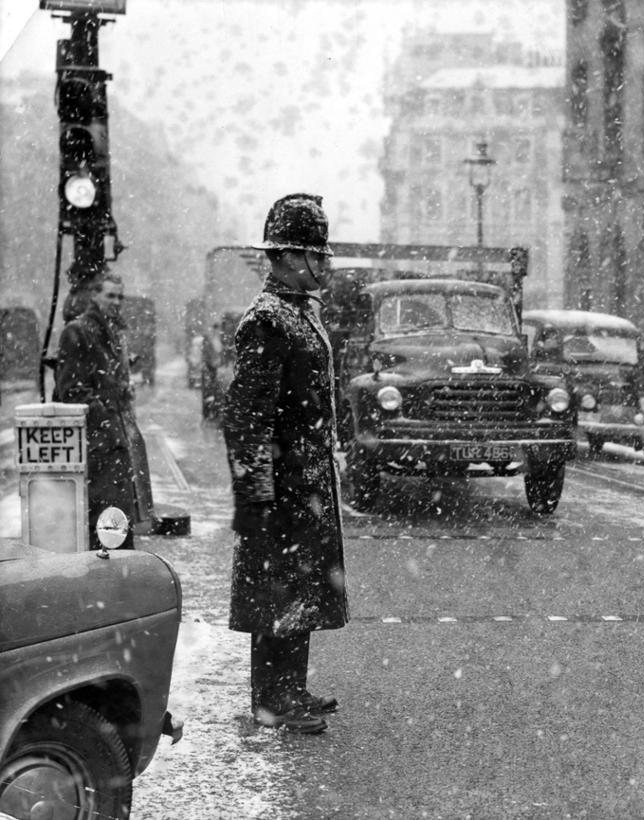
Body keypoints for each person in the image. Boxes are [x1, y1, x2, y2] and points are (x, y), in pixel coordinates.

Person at [222, 193, 349, 735]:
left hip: (306, 482)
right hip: (281, 488)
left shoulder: (298, 314)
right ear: (291, 257)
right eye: (317, 255)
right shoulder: (268, 322)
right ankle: (270, 701)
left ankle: (291, 689)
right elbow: (246, 420)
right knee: (278, 589)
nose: (324, 265)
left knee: (303, 590)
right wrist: (256, 503)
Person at [52, 271, 152, 549]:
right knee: (106, 524)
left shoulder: (115, 331)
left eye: (119, 296)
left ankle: (116, 580)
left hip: (117, 444)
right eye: (109, 295)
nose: (116, 301)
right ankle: (106, 583)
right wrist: (107, 423)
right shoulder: (78, 331)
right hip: (98, 447)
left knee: (117, 524)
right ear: (94, 296)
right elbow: (71, 391)